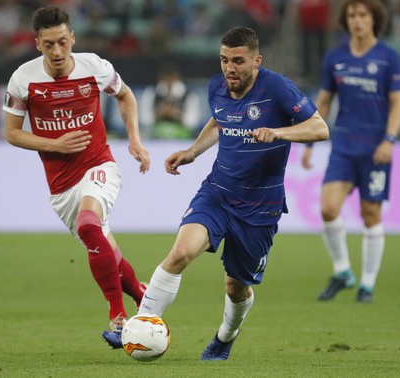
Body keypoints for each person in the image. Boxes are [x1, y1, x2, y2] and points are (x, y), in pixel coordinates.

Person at [102, 26, 329, 359]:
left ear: (256, 61)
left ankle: (225, 336)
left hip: (259, 208)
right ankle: (138, 326)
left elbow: (320, 128)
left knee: (236, 287)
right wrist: (193, 152)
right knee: (180, 253)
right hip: (218, 194)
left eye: (237, 61)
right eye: (224, 60)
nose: (229, 68)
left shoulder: (278, 88)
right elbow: (220, 120)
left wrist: (279, 133)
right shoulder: (217, 87)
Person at [2, 6, 150, 343]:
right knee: (108, 252)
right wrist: (54, 143)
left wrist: (134, 140)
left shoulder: (95, 67)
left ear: (72, 38)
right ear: (37, 44)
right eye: (49, 44)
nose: (57, 51)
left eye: (62, 42)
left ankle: (118, 318)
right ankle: (144, 299)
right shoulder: (23, 79)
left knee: (88, 224)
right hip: (61, 186)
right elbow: (12, 133)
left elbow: (125, 96)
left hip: (99, 165)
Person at [301, 0, 400, 303]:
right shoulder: (336, 57)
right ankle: (343, 271)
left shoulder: (389, 57)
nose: (357, 21)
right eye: (351, 15)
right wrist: (309, 141)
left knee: (370, 213)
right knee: (327, 208)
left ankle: (367, 285)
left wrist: (389, 139)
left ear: (374, 20)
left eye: (363, 15)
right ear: (345, 21)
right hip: (344, 146)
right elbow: (324, 100)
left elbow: (397, 102)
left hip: (375, 149)